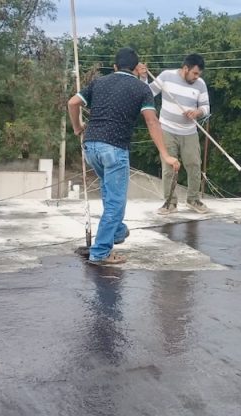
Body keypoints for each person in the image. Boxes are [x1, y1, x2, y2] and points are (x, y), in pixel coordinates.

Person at [68, 47, 181, 265]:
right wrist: (166, 155)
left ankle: (118, 231)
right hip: (114, 148)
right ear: (137, 68)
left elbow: (73, 103)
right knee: (115, 202)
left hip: (91, 146)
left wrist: (77, 127)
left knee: (109, 192)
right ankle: (101, 252)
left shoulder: (99, 82)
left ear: (115, 66)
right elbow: (151, 121)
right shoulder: (141, 88)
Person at [138, 54, 211, 214]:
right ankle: (170, 203)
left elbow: (206, 107)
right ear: (185, 68)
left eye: (199, 74)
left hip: (189, 131)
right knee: (169, 167)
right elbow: (148, 93)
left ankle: (193, 199)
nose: (196, 77)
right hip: (167, 129)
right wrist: (143, 78)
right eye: (195, 73)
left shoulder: (200, 84)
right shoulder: (166, 76)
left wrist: (197, 112)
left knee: (194, 164)